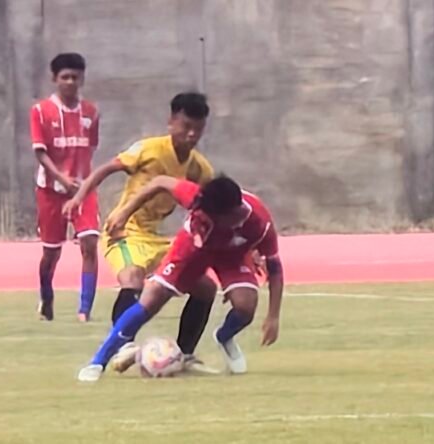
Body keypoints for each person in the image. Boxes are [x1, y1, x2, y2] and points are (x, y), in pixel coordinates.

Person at [77, 175, 285, 382]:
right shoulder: (197, 198)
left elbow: (274, 268)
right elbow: (159, 181)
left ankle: (224, 337)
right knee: (152, 298)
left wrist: (273, 316)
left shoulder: (260, 223)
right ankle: (98, 362)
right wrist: (124, 212)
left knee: (246, 306)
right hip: (192, 249)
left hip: (232, 255)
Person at [63, 92, 218, 371]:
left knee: (206, 288)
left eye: (198, 129)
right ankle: (123, 347)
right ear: (171, 122)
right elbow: (106, 170)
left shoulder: (198, 167)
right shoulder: (149, 149)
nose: (191, 134)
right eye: (186, 126)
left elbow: (213, 203)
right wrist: (78, 198)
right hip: (124, 231)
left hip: (156, 239)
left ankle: (185, 355)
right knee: (132, 277)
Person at [30, 53, 100, 322]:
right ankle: (46, 297)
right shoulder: (40, 111)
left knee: (89, 243)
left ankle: (85, 310)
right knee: (51, 252)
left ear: (82, 78)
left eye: (75, 77)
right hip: (50, 191)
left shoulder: (91, 112)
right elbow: (40, 152)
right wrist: (61, 178)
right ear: (55, 79)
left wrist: (81, 180)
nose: (70, 82)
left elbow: (90, 146)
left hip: (83, 189)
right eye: (65, 77)